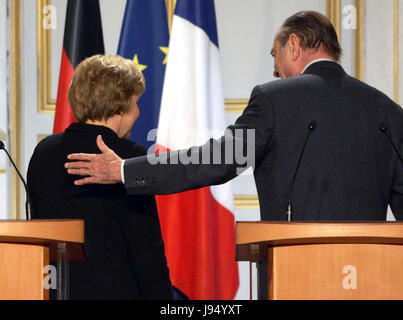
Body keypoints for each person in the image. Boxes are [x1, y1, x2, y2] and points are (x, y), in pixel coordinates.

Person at [64, 12, 403, 298]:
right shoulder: (389, 111)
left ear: (295, 45)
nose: (275, 69)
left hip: (295, 274)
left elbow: (219, 160)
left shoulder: (275, 99)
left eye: (275, 55)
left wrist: (126, 171)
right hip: (372, 280)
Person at [27, 54, 173, 300]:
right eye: (136, 102)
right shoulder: (128, 158)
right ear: (120, 107)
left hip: (57, 291)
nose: (138, 112)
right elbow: (146, 249)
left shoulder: (44, 152)